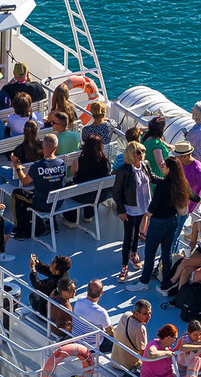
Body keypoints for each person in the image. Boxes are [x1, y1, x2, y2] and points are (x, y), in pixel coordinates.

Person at [139, 157, 190, 289]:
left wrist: (147, 215)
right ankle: (166, 282)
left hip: (158, 223)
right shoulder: (181, 183)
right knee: (166, 253)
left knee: (150, 253)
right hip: (172, 222)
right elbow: (193, 195)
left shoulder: (162, 185)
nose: (162, 167)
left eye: (164, 166)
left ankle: (144, 281)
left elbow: (154, 205)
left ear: (169, 169)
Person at [11, 132, 67, 241]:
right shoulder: (62, 164)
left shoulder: (37, 166)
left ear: (42, 145)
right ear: (56, 147)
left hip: (42, 203)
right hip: (57, 202)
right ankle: (52, 224)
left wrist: (17, 166)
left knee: (16, 193)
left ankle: (19, 230)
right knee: (52, 188)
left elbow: (24, 181)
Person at [114, 145, 151, 279]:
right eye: (138, 152)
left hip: (142, 206)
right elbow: (117, 192)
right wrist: (121, 210)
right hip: (130, 208)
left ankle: (133, 253)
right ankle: (124, 266)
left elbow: (151, 177)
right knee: (128, 236)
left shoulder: (145, 165)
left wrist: (168, 181)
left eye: (143, 151)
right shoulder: (124, 170)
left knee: (136, 233)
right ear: (131, 154)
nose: (141, 154)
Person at [109, 298, 151, 377]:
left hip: (114, 362)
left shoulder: (125, 315)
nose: (149, 317)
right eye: (145, 314)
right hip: (128, 367)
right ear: (136, 313)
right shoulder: (140, 328)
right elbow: (143, 354)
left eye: (150, 313)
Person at [71, 278, 112, 351]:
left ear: (87, 290)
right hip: (91, 347)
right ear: (101, 293)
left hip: (76, 340)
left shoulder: (80, 300)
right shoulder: (101, 312)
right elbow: (110, 331)